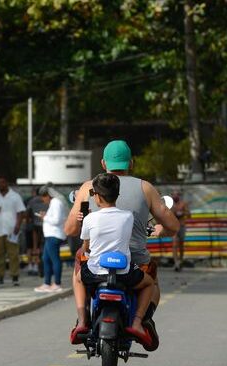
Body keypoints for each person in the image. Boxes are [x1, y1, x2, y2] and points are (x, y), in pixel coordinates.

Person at [64, 140, 179, 350]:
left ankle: (82, 319)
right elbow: (173, 225)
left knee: (79, 265)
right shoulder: (145, 187)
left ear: (102, 163)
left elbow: (70, 230)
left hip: (96, 262)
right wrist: (163, 230)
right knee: (151, 279)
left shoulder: (88, 187)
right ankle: (142, 319)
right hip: (132, 262)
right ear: (131, 163)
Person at [79, 173, 156, 347]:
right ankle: (137, 322)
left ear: (97, 196)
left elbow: (85, 248)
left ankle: (82, 321)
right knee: (149, 283)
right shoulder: (128, 216)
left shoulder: (90, 218)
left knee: (77, 279)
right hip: (123, 273)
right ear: (117, 195)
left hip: (95, 273)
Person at [0, 176, 26, 287]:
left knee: (13, 254)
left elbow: (20, 212)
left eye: (3, 182)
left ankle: (15, 277)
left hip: (11, 230)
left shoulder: (15, 196)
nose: (1, 185)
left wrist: (18, 225)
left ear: (6, 183)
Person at [34, 186, 67, 293]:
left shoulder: (56, 203)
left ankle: (57, 283)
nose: (43, 200)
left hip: (54, 235)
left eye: (43, 197)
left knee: (54, 259)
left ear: (48, 195)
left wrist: (45, 217)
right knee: (46, 259)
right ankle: (47, 283)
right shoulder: (54, 203)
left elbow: (57, 220)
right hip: (51, 235)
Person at [25, 188, 47, 276]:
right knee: (40, 247)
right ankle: (39, 266)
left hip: (32, 226)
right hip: (44, 226)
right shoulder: (47, 200)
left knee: (30, 248)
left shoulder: (31, 201)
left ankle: (31, 266)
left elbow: (27, 213)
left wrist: (27, 222)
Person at [171, 191, 191, 271]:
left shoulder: (183, 204)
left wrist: (182, 213)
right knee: (174, 244)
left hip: (182, 226)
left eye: (176, 195)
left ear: (179, 196)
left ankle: (181, 260)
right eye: (173, 195)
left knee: (181, 245)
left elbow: (189, 215)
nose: (174, 196)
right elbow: (167, 214)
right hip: (174, 226)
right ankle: (176, 263)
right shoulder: (170, 205)